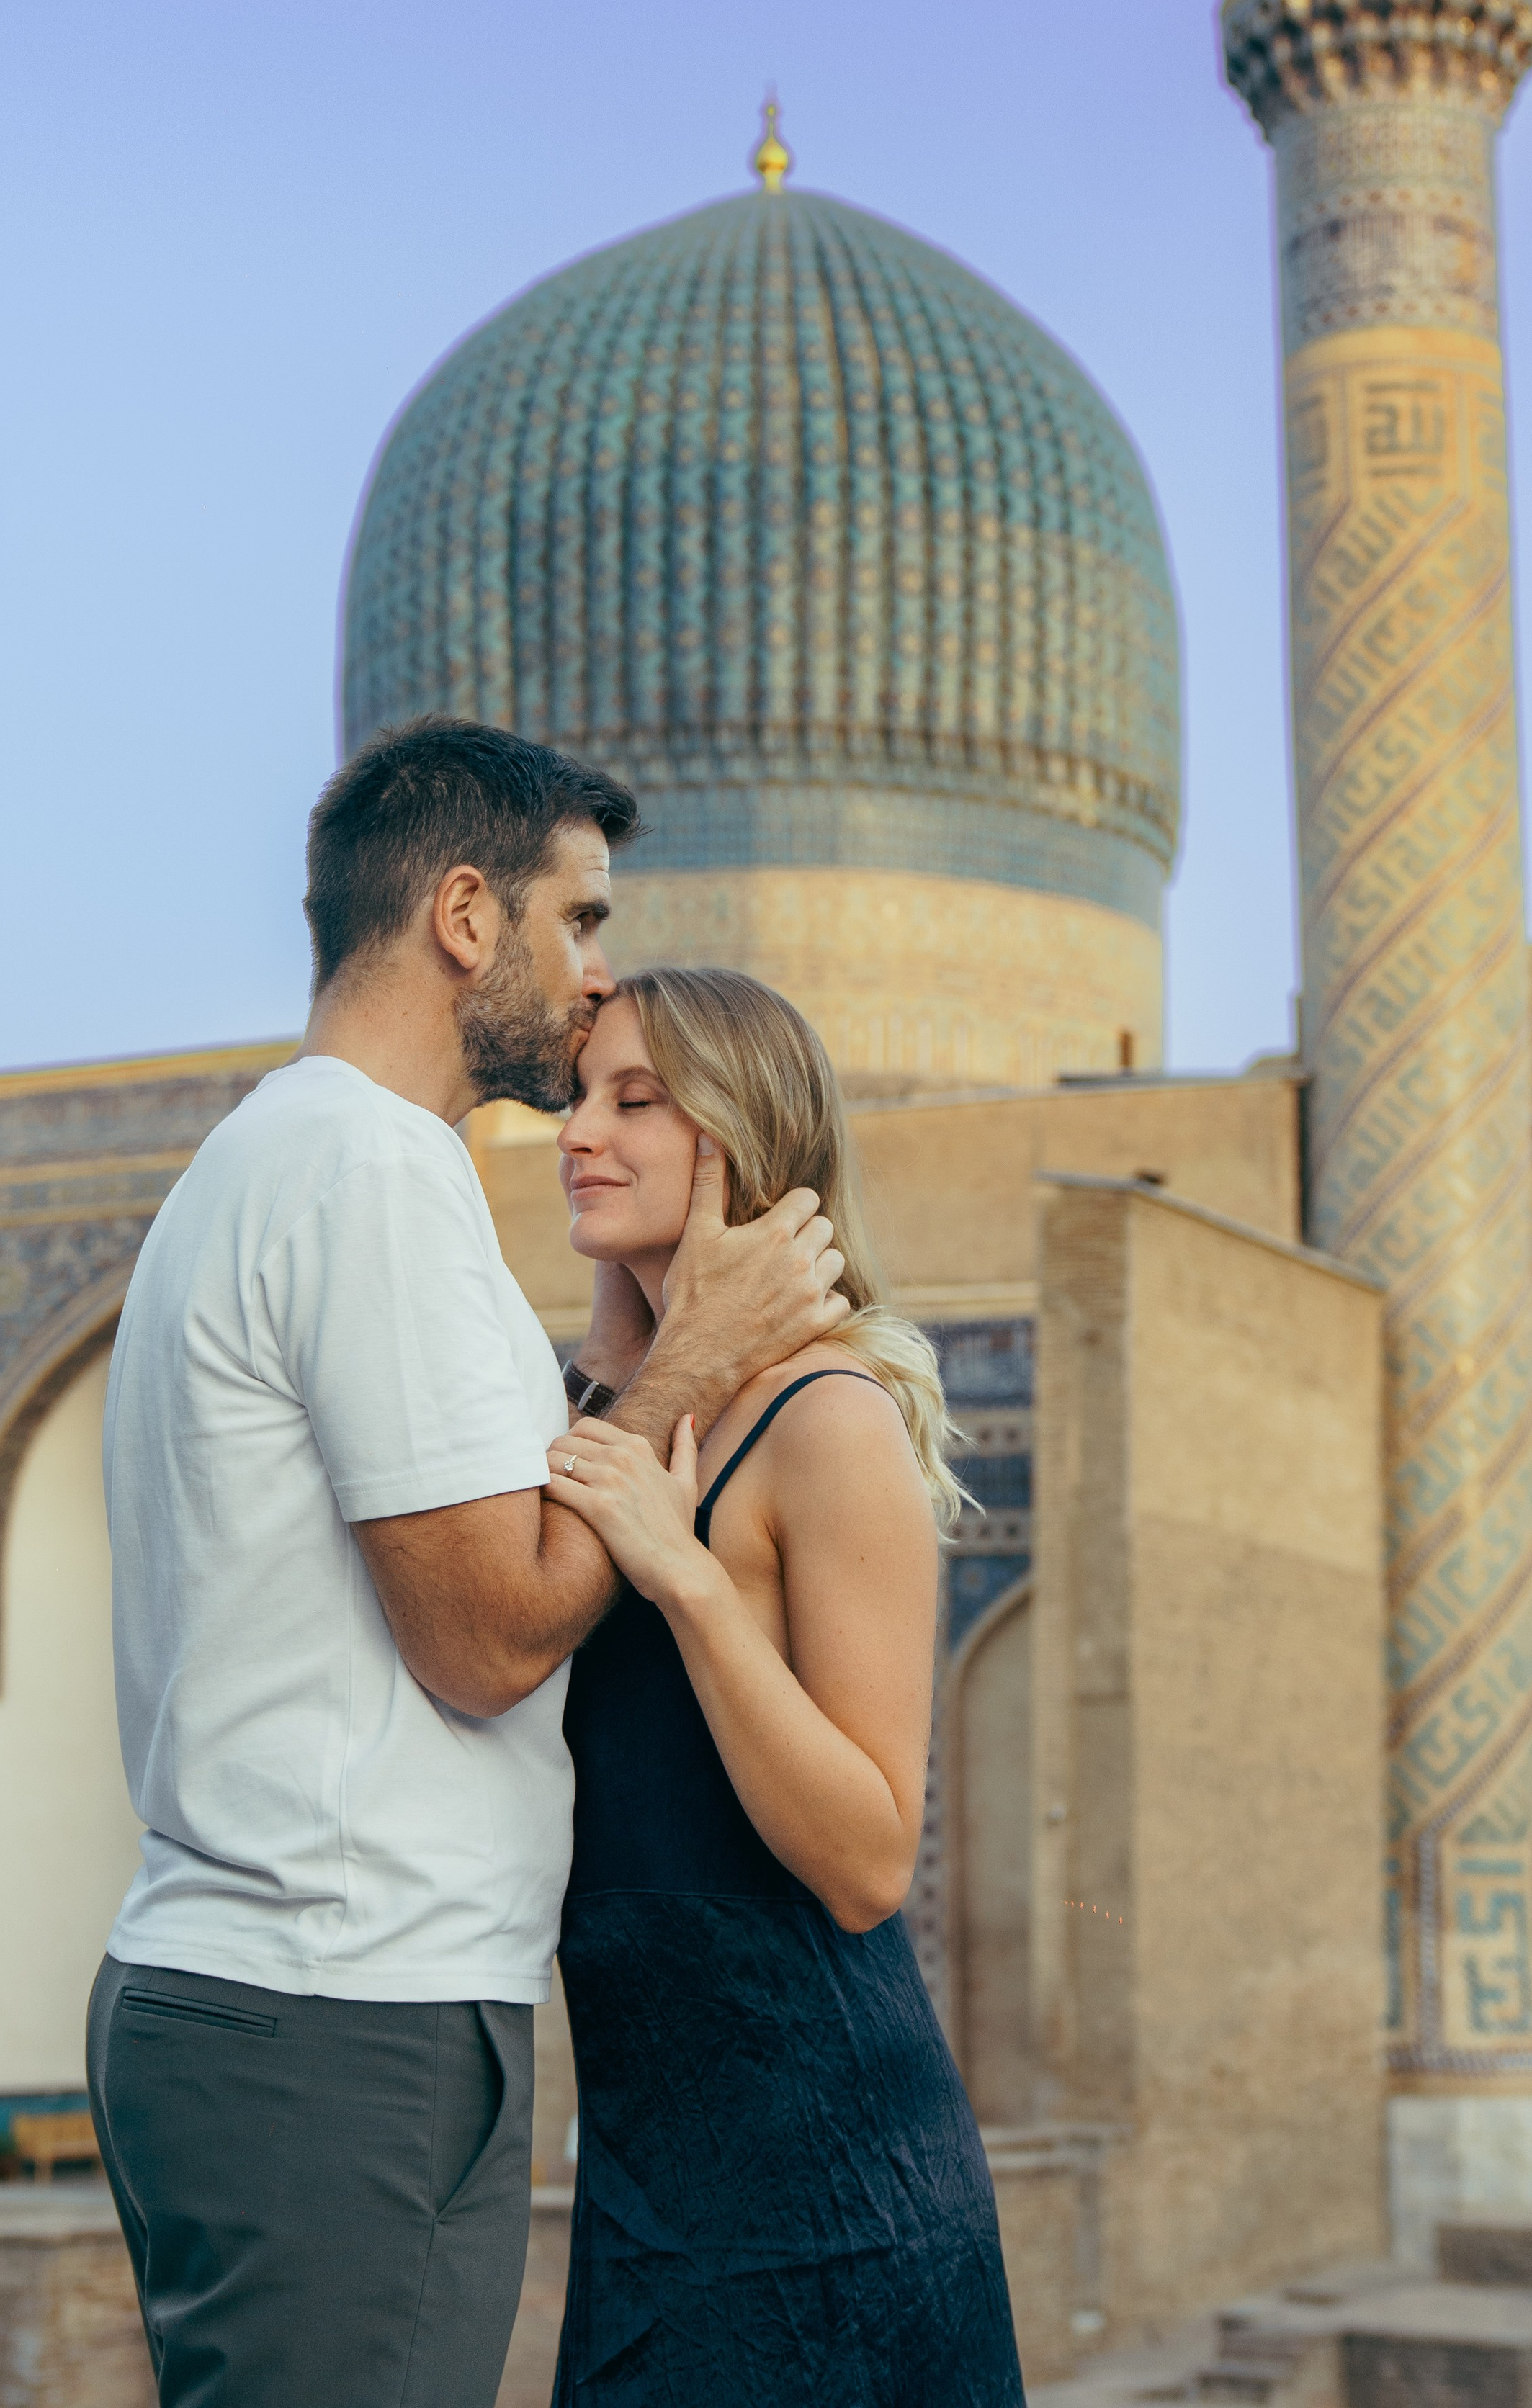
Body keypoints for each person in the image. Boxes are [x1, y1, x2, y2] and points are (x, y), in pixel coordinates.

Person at [86, 720, 850, 2408]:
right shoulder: (370, 1173)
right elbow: (488, 1634)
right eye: (577, 922)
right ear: (459, 913)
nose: (595, 980)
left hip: (287, 2002)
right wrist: (692, 1361)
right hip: (341, 2018)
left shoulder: (268, 1160)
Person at [542, 965, 1026, 2407]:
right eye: (576, 1093)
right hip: (645, 2170)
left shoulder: (830, 1418)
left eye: (635, 1100)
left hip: (829, 2178)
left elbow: (871, 1855)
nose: (578, 1130)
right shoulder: (594, 1418)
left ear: (737, 1142)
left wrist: (684, 1581)